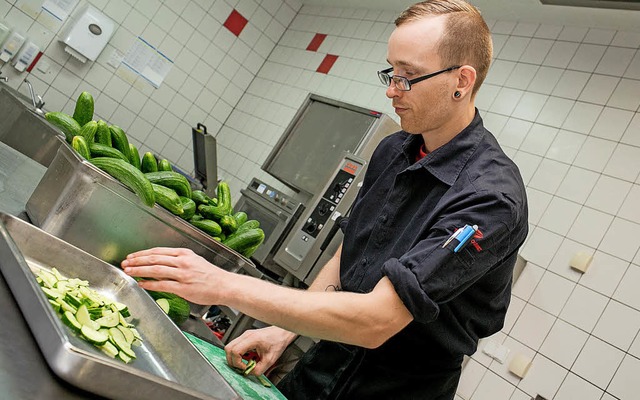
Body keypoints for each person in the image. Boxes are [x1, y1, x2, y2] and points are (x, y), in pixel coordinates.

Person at [121, 1, 528, 399]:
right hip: (327, 356)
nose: (391, 90)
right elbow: (350, 250)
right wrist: (284, 330)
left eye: (408, 76)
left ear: (462, 80)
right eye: (391, 72)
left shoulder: (491, 197)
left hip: (398, 385)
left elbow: (376, 320)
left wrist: (223, 284)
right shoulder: (394, 150)